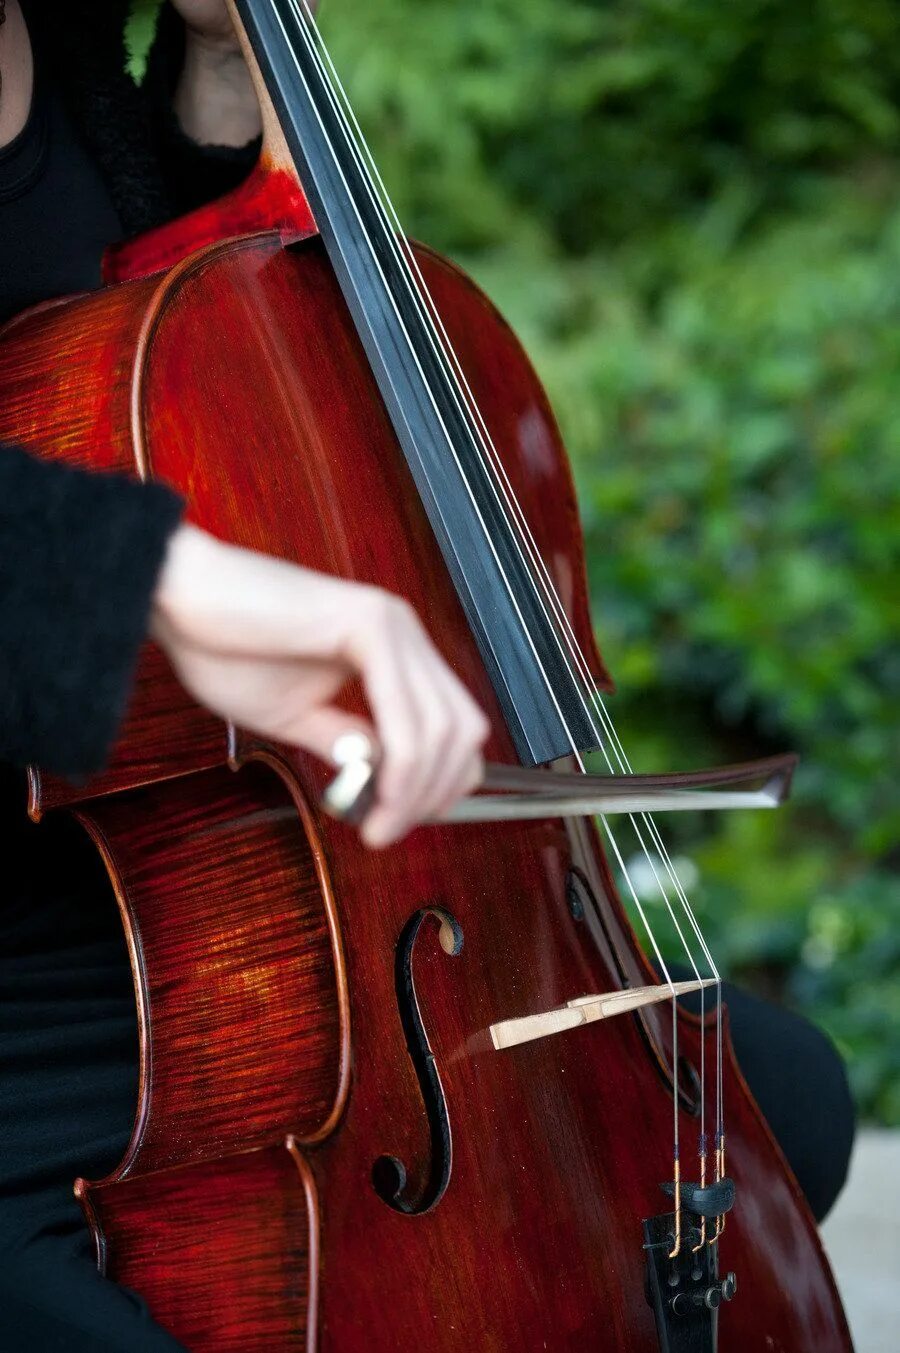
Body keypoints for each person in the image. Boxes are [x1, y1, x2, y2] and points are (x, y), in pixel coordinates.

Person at [0, 2, 854, 1349]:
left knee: (767, 1108)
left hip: (191, 847)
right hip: (21, 972)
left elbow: (156, 319)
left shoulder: (52, 38)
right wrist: (167, 580)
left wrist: (224, 57)